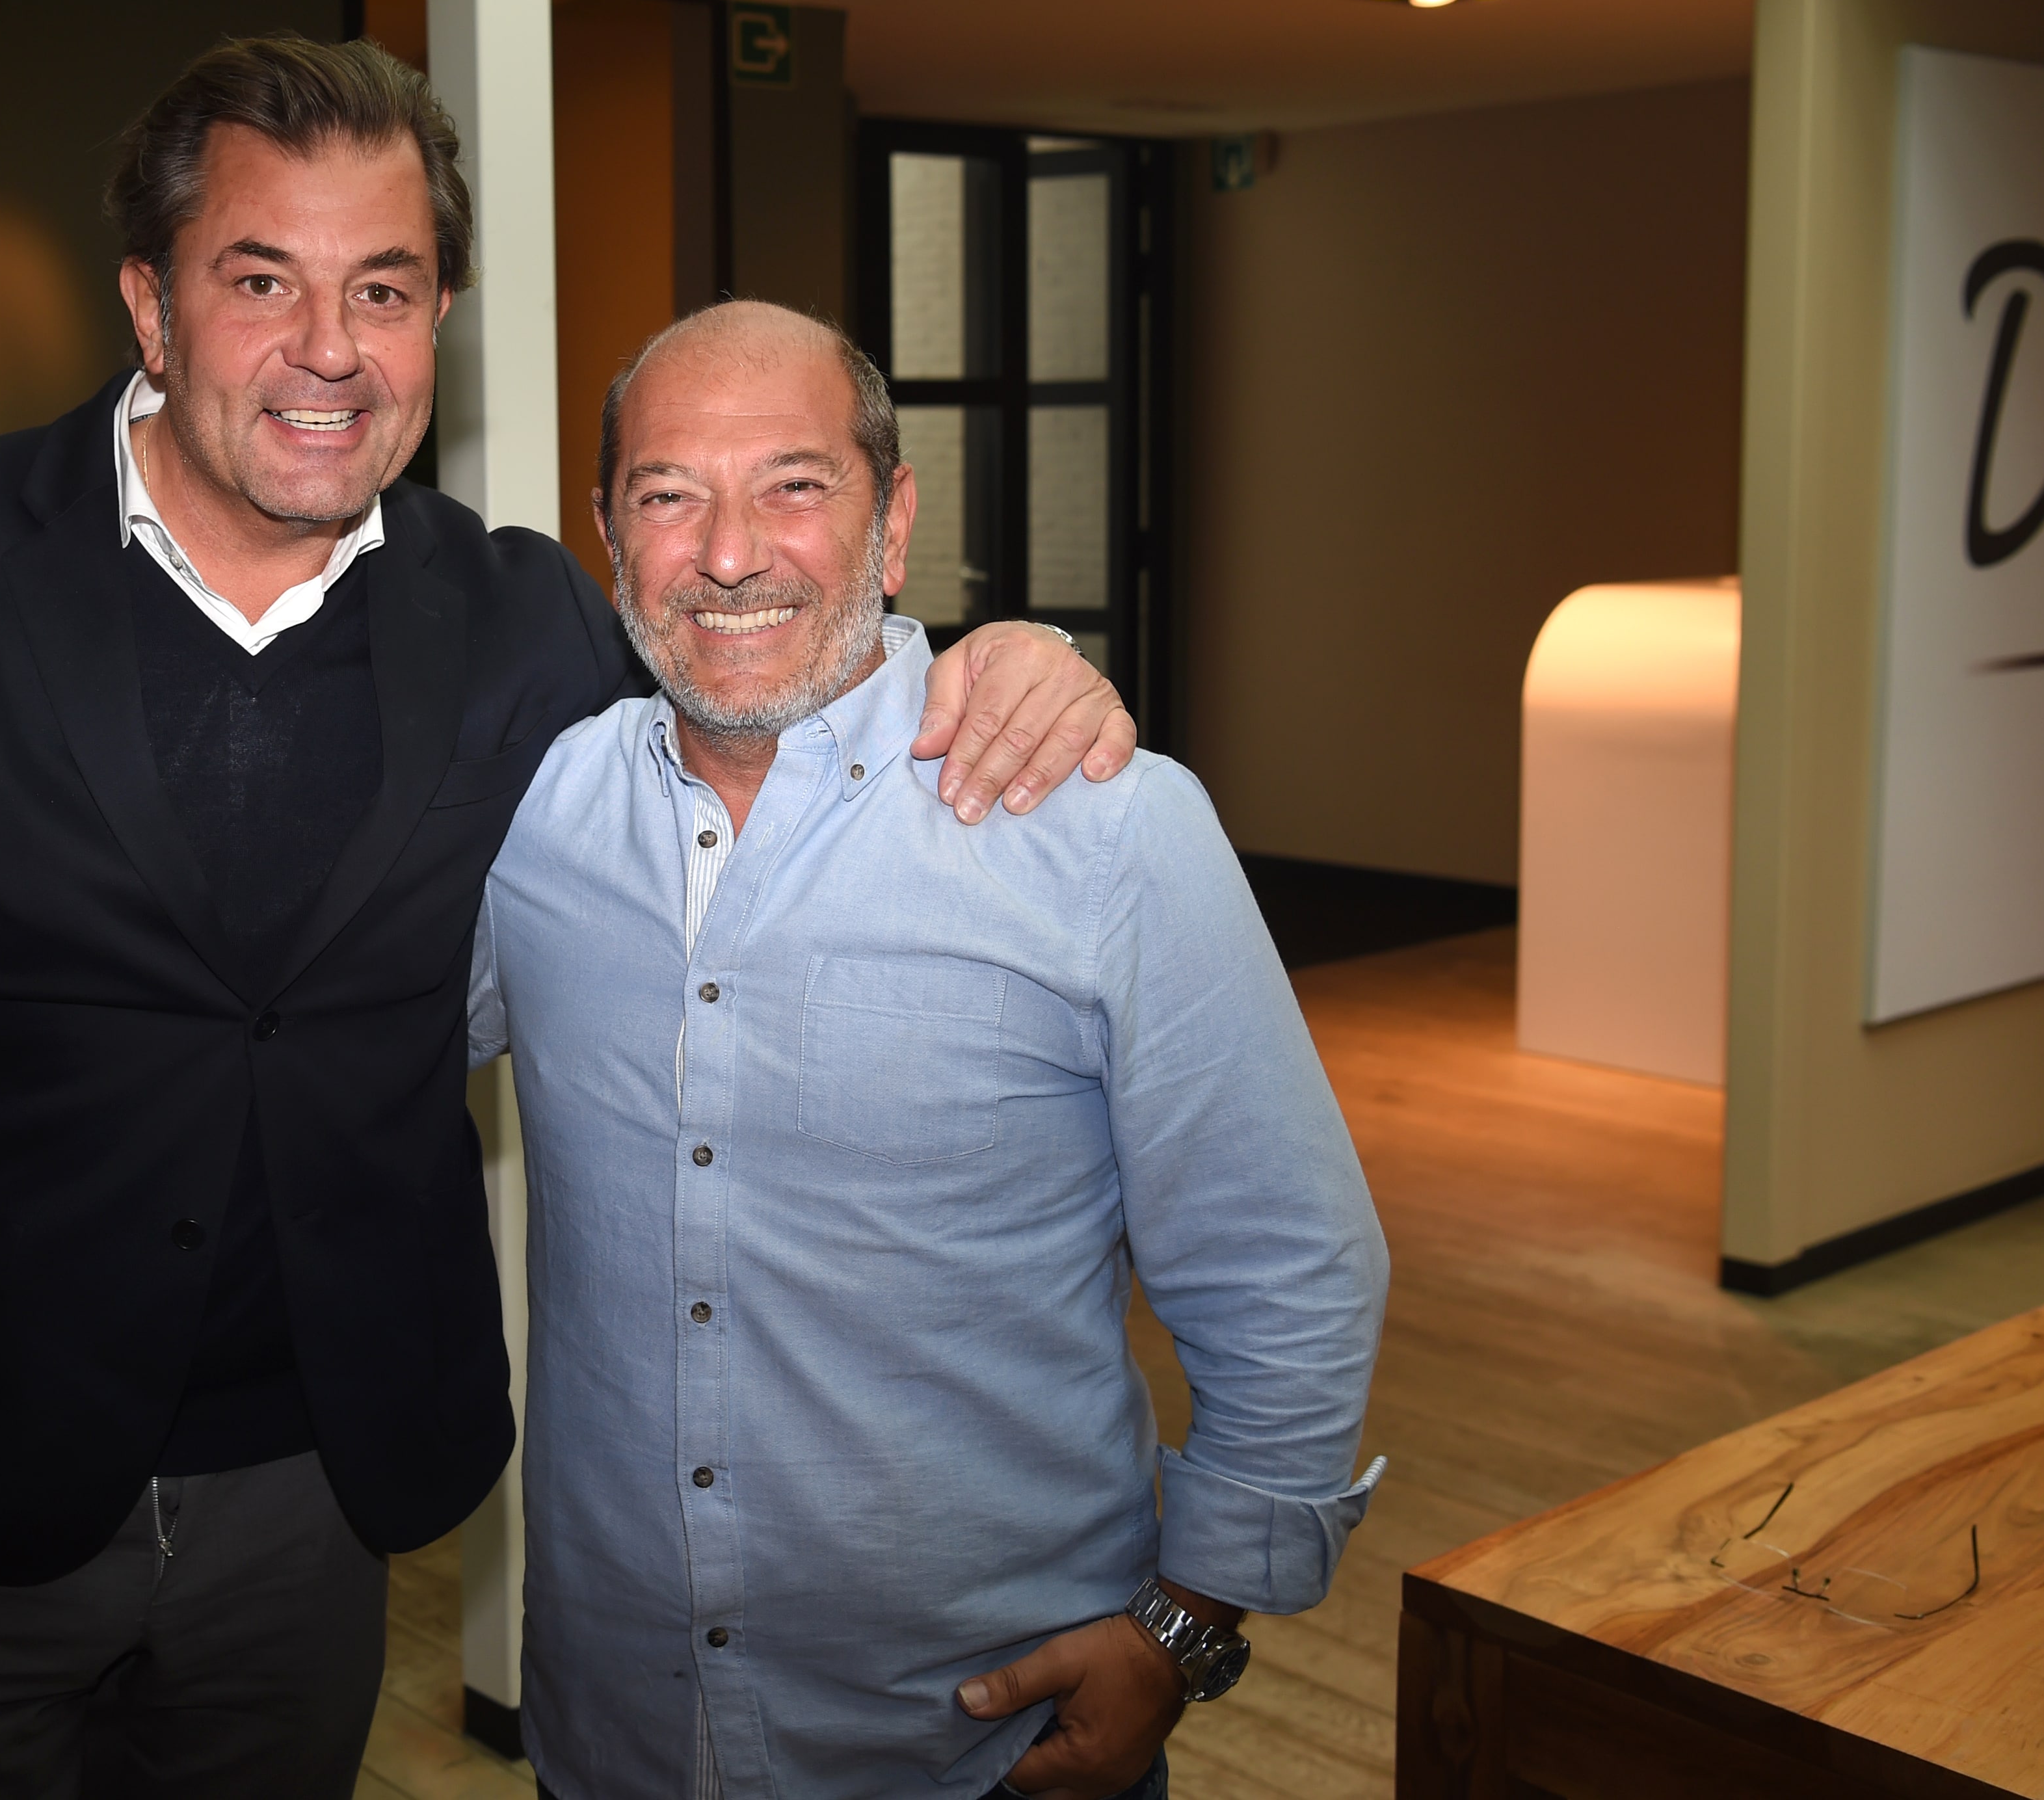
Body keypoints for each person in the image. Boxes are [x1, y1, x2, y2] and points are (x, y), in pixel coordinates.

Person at [0, 36, 1133, 1798]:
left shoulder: (522, 625)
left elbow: (769, 704)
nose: (330, 347)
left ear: (438, 322)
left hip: (307, 1512)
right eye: (262, 280)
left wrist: (1006, 655)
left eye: (386, 289)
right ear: (152, 305)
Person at [466, 300, 1389, 1800]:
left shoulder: (1105, 827)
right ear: (608, 532)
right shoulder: (535, 818)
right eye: (669, 494)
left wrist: (1186, 1627)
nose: (730, 552)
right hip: (616, 1730)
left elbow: (1286, 1263)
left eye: (795, 485)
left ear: (893, 522)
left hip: (984, 1752)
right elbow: (329, 1046)